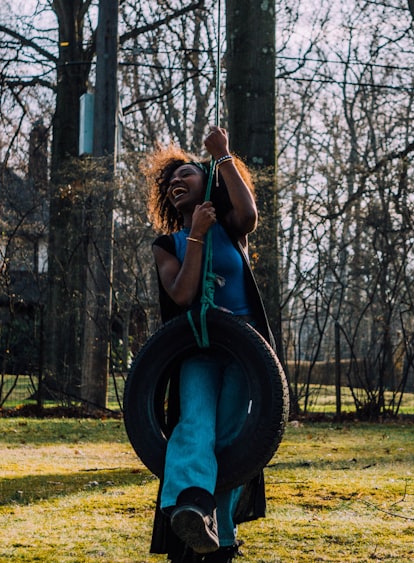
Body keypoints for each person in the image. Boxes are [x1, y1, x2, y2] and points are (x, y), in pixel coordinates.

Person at [143, 126, 275, 563]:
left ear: (208, 183)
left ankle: (220, 535)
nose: (176, 182)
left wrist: (222, 155)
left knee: (229, 437)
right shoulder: (169, 244)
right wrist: (195, 234)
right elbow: (182, 294)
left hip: (244, 351)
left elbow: (250, 213)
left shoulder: (232, 227)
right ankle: (193, 511)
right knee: (194, 424)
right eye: (170, 182)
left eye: (186, 175)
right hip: (198, 347)